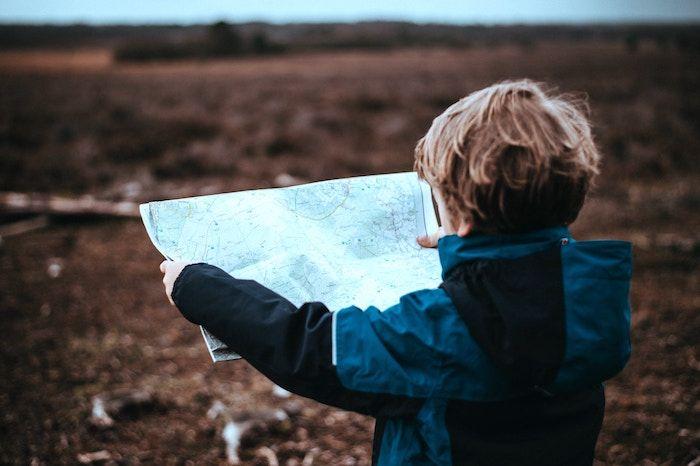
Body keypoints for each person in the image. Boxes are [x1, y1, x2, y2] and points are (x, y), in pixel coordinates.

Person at [159, 79, 632, 466]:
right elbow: (521, 283)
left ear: (462, 214)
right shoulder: (593, 301)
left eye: (439, 200)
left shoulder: (443, 330)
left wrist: (198, 286)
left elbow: (313, 349)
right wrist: (463, 247)